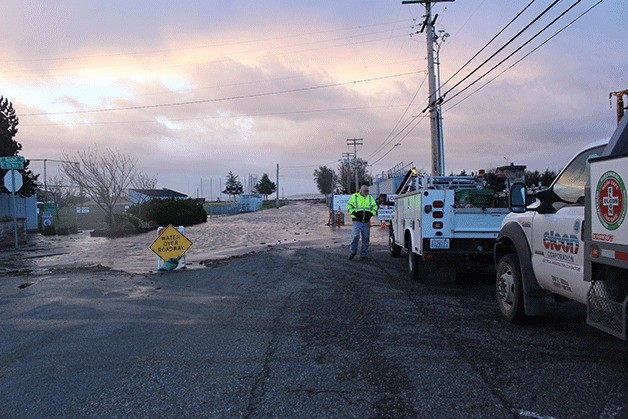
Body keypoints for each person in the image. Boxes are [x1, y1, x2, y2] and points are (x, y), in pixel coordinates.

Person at [347, 184, 378, 260]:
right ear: (361, 190)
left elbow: (375, 207)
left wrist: (371, 214)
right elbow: (349, 206)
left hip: (366, 221)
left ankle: (363, 255)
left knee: (366, 239)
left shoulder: (370, 198)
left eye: (367, 191)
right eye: (365, 191)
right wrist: (354, 213)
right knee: (355, 236)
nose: (367, 192)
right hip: (357, 221)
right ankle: (353, 251)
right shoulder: (355, 197)